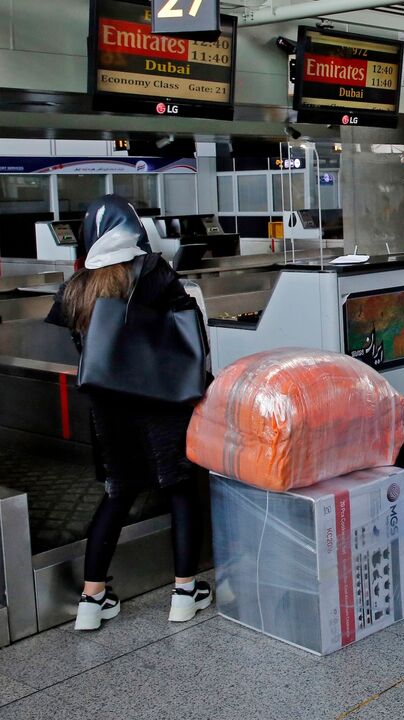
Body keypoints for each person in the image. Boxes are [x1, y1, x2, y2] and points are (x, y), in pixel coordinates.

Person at [45, 195, 212, 631]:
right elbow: (190, 327)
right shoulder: (154, 271)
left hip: (108, 409)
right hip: (161, 403)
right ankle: (183, 593)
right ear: (134, 228)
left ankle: (91, 599)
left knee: (117, 495)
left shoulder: (77, 286)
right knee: (179, 492)